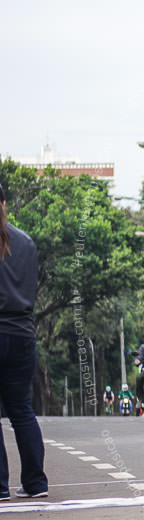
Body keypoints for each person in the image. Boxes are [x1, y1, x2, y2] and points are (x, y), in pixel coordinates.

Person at [0, 183, 48, 500]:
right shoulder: (26, 242)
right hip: (21, 335)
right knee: (22, 411)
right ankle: (35, 484)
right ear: (4, 202)